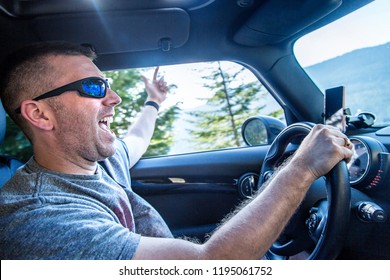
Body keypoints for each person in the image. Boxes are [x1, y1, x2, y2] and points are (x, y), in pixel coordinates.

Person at [0, 41, 353, 260]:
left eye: (107, 84)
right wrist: (302, 168)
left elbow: (136, 138)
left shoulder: (98, 161)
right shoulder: (39, 217)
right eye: (94, 87)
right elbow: (210, 264)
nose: (114, 98)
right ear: (39, 113)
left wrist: (154, 101)